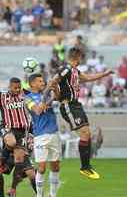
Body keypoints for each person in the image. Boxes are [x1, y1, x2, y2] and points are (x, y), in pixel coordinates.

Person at [46, 47, 113, 179]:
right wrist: (45, 99)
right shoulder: (66, 69)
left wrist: (104, 74)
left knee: (87, 133)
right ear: (77, 57)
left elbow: (88, 77)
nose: (82, 59)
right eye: (81, 56)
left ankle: (86, 166)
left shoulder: (75, 71)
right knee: (84, 133)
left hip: (76, 105)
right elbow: (53, 81)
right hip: (68, 105)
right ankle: (85, 167)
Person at [0, 77, 36, 196]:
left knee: (30, 173)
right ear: (9, 87)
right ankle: (1, 193)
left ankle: (17, 191)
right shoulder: (1, 96)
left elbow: (36, 94)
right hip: (9, 129)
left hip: (21, 133)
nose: (18, 89)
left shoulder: (24, 93)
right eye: (15, 88)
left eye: (19, 87)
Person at [25, 74, 61, 197]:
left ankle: (53, 194)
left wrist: (54, 87)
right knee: (41, 168)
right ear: (32, 84)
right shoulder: (28, 98)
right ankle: (39, 195)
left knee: (55, 166)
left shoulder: (45, 94)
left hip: (54, 133)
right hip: (40, 135)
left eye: (43, 81)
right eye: (40, 81)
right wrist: (47, 91)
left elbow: (58, 97)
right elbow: (38, 110)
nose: (43, 82)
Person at [0, 122, 35, 197]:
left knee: (31, 174)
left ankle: (39, 194)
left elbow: (33, 139)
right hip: (7, 156)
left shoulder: (27, 123)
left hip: (23, 154)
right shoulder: (2, 123)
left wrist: (29, 148)